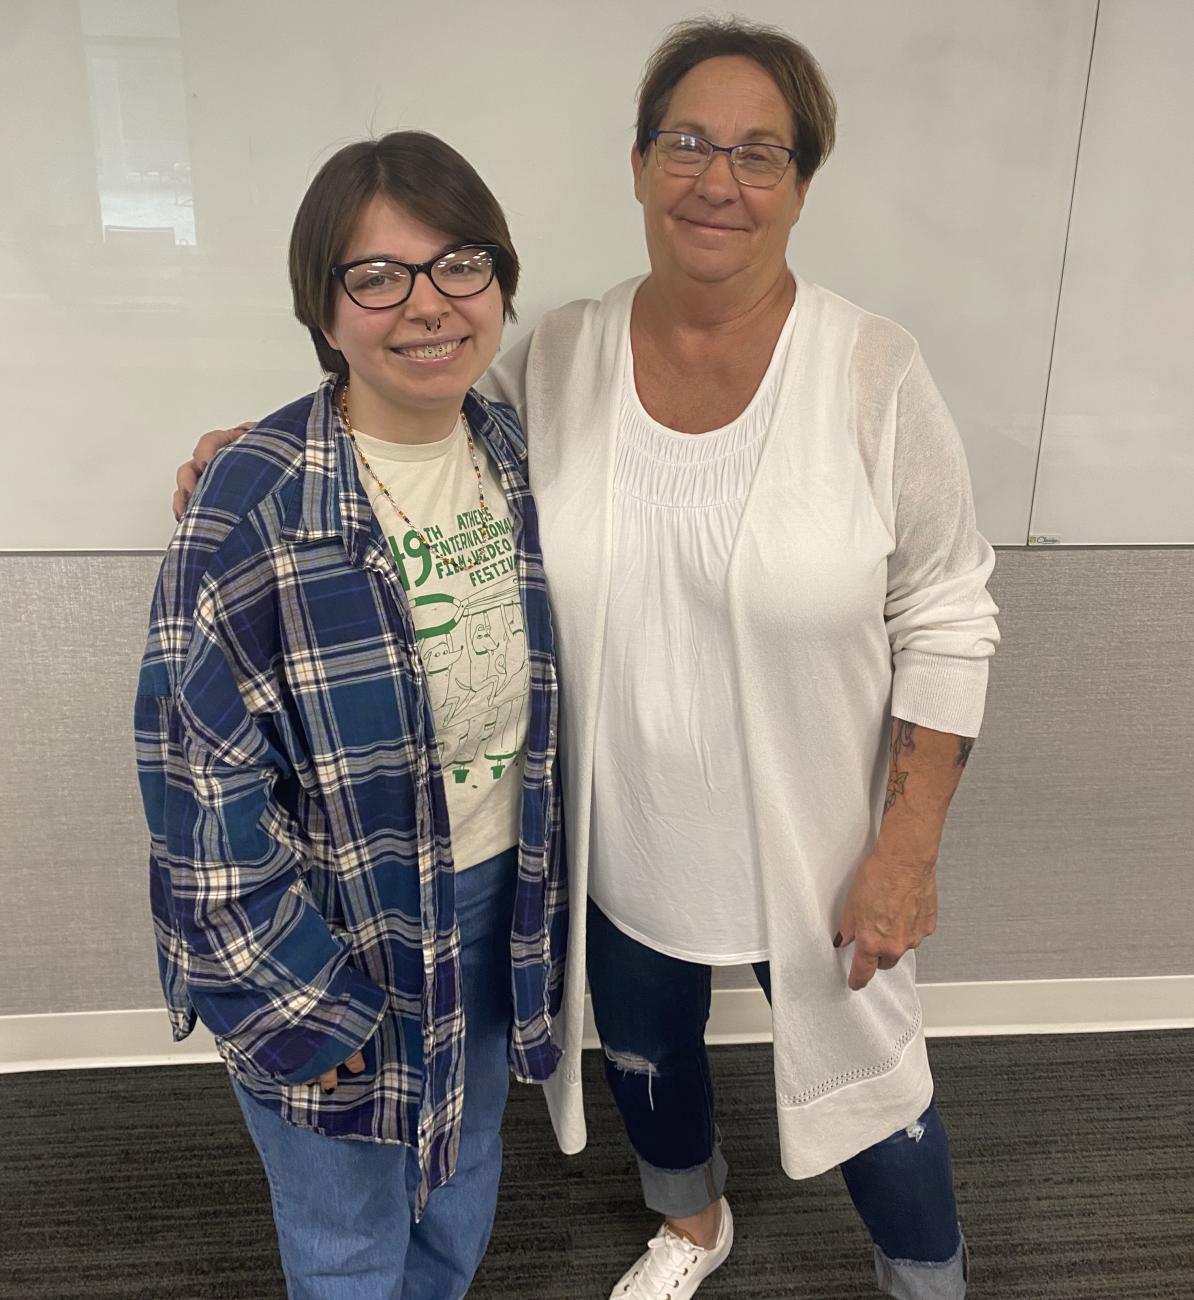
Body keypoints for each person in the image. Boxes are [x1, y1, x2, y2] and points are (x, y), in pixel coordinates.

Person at [174, 19, 999, 1300]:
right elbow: (404, 398)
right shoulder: (557, 357)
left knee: (877, 1089)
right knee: (645, 1055)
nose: (716, 178)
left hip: (816, 830)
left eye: (758, 151)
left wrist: (911, 843)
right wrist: (261, 446)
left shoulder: (873, 370)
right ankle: (692, 1225)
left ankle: (927, 1278)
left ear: (801, 181)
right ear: (635, 162)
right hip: (611, 836)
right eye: (686, 141)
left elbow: (948, 607)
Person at [136, 130, 566, 1300]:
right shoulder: (256, 499)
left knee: (460, 1180)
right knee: (345, 1235)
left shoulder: (515, 455)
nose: (426, 305)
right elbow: (198, 797)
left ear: (499, 283)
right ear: (323, 308)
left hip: (491, 901)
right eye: (377, 275)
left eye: (459, 264)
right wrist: (294, 1009)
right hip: (335, 927)